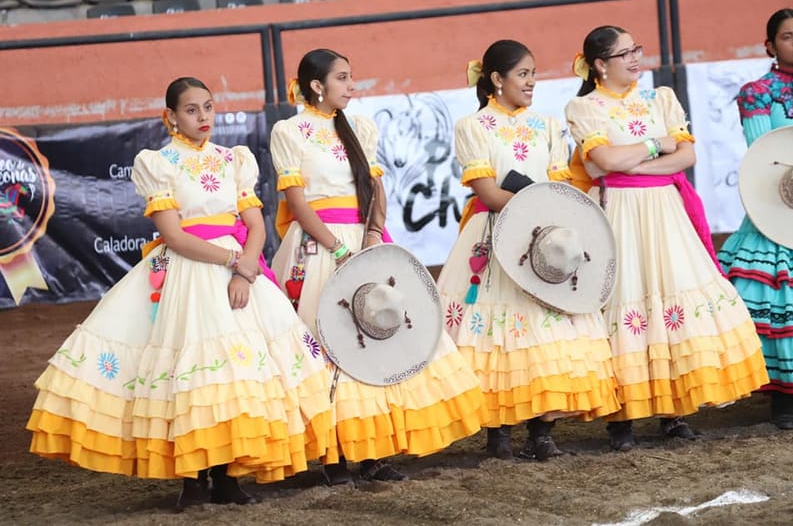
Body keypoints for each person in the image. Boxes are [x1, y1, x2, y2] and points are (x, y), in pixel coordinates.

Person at [26, 77, 335, 509]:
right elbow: (173, 236)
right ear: (171, 116)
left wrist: (246, 270)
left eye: (208, 107)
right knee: (191, 372)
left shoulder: (233, 160)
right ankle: (192, 480)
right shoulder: (159, 164)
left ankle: (227, 478)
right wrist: (233, 262)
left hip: (238, 274)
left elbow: (255, 224)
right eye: (191, 110)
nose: (203, 116)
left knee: (235, 373)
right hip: (190, 272)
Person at [269, 48, 486, 484]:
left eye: (351, 77)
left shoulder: (360, 128)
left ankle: (374, 452)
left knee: (377, 336)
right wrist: (336, 249)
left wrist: (371, 234)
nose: (351, 86)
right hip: (318, 246)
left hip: (362, 241)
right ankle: (333, 456)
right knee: (328, 340)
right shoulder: (289, 131)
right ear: (317, 85)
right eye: (342, 78)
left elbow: (375, 189)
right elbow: (298, 202)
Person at [564, 26, 769, 451]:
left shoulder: (660, 98)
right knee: (625, 297)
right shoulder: (585, 107)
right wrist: (657, 145)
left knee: (671, 294)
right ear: (600, 64)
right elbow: (604, 158)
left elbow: (686, 155)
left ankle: (675, 411)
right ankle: (622, 417)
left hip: (666, 209)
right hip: (618, 214)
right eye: (625, 53)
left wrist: (635, 163)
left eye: (636, 49)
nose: (635, 58)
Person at [435, 39, 621, 461]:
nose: (532, 81)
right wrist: (536, 210)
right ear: (497, 79)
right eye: (523, 74)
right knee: (495, 333)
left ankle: (542, 432)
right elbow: (487, 191)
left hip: (545, 236)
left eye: (534, 73)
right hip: (496, 234)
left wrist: (548, 219)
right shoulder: (473, 126)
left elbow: (560, 185)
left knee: (545, 327)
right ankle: (498, 434)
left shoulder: (548, 125)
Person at [718, 8, 793, 430]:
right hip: (778, 208)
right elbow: (763, 155)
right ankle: (784, 399)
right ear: (770, 46)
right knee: (780, 299)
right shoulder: (757, 93)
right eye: (788, 36)